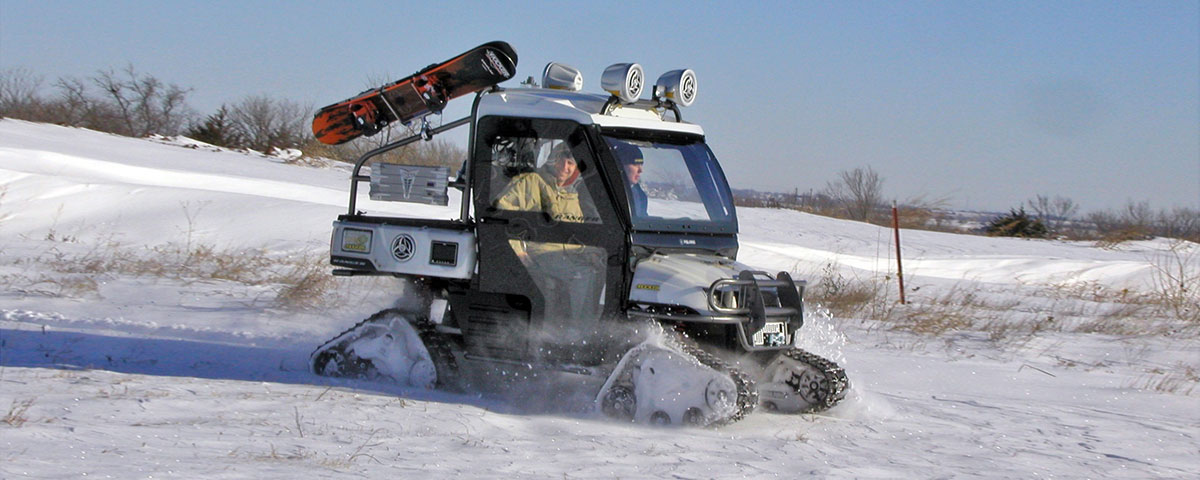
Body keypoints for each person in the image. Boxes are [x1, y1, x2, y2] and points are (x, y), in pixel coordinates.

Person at [492, 142, 603, 326]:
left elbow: (577, 230)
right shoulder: (530, 182)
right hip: (540, 251)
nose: (566, 169)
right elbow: (502, 215)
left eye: (571, 164)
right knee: (582, 274)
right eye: (563, 162)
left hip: (567, 253)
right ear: (554, 159)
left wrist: (590, 252)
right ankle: (579, 332)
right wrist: (517, 250)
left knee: (600, 268)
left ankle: (581, 324)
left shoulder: (571, 193)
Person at [612, 142, 647, 217]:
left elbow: (642, 220)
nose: (640, 170)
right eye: (635, 164)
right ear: (621, 166)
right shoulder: (604, 191)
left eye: (641, 164)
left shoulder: (640, 195)